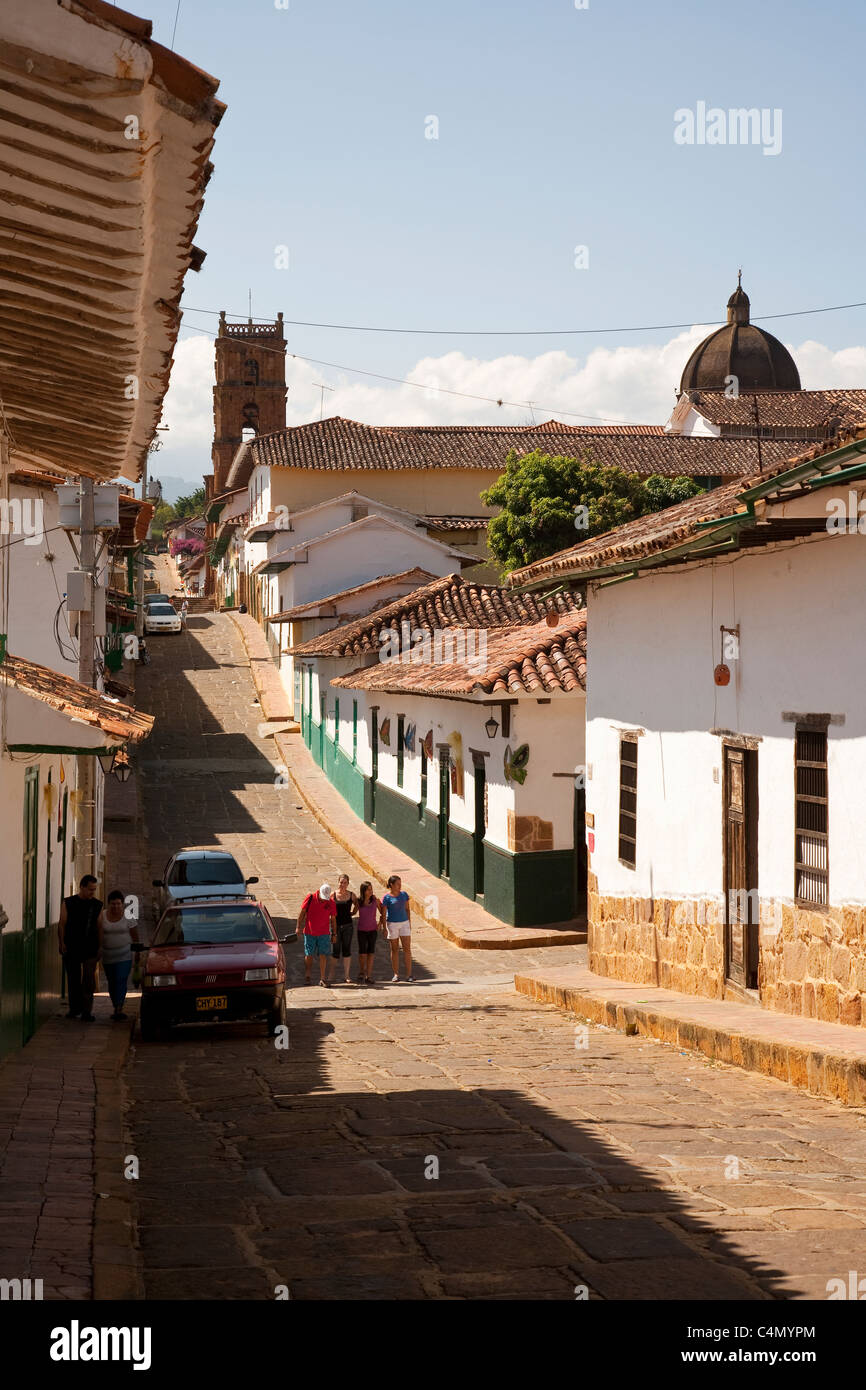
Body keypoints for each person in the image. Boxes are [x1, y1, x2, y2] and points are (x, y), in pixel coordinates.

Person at [58, 875, 103, 1021]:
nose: (92, 892)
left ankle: (86, 1011)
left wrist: (101, 946)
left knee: (88, 979)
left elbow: (100, 926)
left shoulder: (97, 905)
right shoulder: (68, 902)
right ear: (82, 887)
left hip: (90, 947)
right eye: (90, 889)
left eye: (94, 889)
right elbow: (62, 924)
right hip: (71, 946)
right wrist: (62, 942)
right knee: (73, 978)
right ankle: (74, 1009)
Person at [98, 890, 140, 1020]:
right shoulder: (102, 916)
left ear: (122, 904)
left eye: (118, 904)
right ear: (108, 904)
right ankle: (115, 1004)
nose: (115, 906)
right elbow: (98, 933)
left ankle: (119, 1008)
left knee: (121, 979)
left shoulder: (129, 916)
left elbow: (135, 936)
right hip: (108, 956)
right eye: (113, 904)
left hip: (124, 955)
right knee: (112, 981)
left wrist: (137, 951)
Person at [298, 883, 336, 986]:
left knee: (323, 955)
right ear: (319, 892)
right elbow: (302, 913)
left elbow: (333, 919)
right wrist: (298, 927)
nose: (324, 900)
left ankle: (322, 978)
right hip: (310, 932)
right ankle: (308, 975)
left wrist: (334, 934)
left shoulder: (331, 902)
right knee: (309, 954)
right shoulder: (310, 898)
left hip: (324, 933)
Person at [380, 874, 413, 983]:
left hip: (404, 924)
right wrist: (384, 928)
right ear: (391, 885)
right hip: (392, 925)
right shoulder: (386, 898)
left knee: (407, 949)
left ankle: (409, 975)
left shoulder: (404, 895)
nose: (400, 886)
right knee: (394, 950)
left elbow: (407, 909)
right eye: (398, 884)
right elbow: (384, 914)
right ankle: (396, 974)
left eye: (400, 883)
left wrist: (409, 923)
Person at [329, 874, 357, 984]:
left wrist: (353, 913)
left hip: (348, 926)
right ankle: (331, 974)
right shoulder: (333, 895)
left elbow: (357, 905)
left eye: (345, 882)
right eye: (341, 882)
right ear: (338, 882)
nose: (342, 884)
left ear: (348, 883)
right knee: (335, 951)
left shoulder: (351, 895)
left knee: (346, 950)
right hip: (336, 926)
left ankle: (347, 975)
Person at [356, 882, 381, 986]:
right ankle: (362, 971)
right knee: (362, 954)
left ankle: (368, 976)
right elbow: (353, 912)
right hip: (361, 930)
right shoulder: (359, 901)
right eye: (368, 889)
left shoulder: (375, 900)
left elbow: (383, 911)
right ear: (363, 891)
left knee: (371, 953)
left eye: (371, 889)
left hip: (372, 930)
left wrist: (380, 923)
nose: (370, 891)